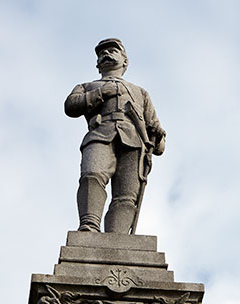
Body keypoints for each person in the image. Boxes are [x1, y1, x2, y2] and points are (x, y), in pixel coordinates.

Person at [65, 38, 166, 234]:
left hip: (134, 143)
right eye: (102, 53)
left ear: (124, 61)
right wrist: (102, 93)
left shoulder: (140, 93)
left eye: (113, 51)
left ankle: (118, 237)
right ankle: (89, 225)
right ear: (97, 64)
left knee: (126, 196)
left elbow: (159, 144)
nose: (106, 54)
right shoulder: (87, 86)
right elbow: (71, 106)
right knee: (92, 175)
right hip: (100, 135)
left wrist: (157, 137)